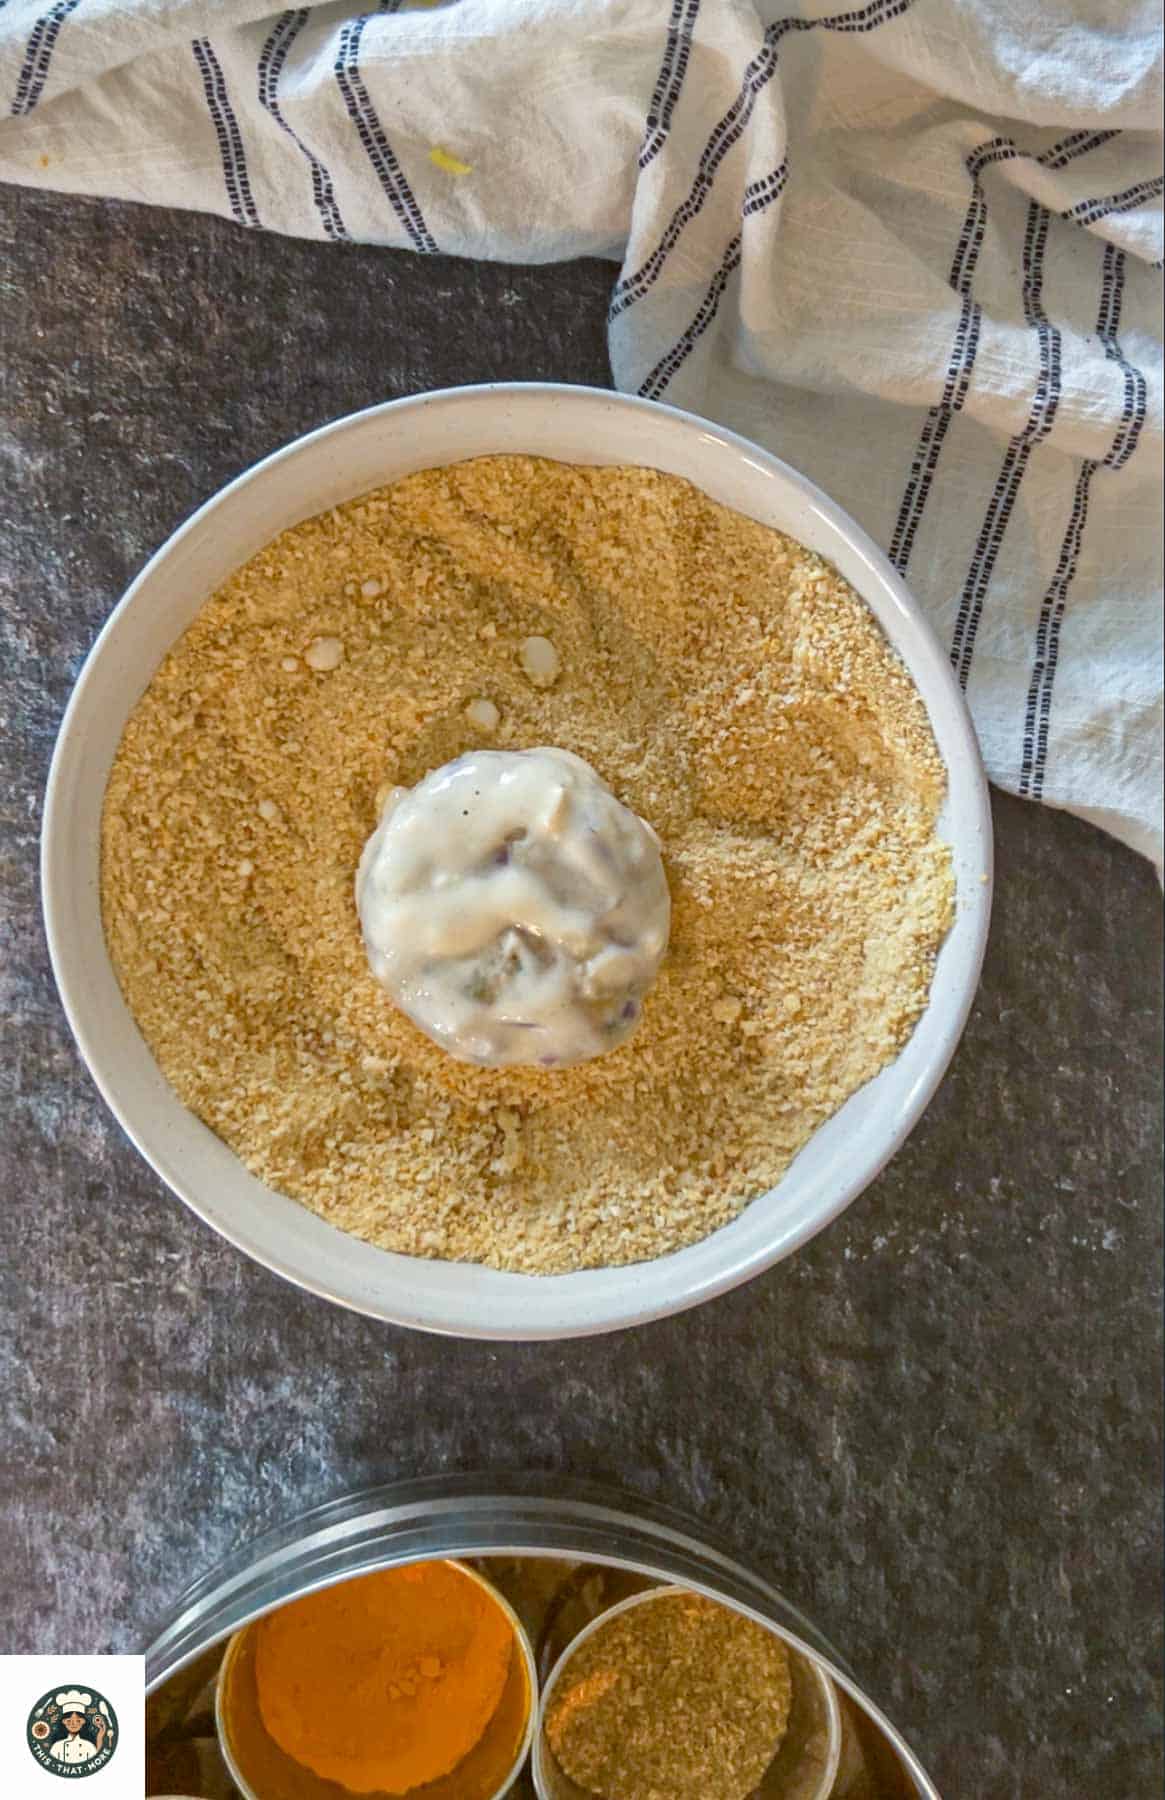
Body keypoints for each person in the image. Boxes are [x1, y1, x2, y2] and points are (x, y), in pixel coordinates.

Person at [49, 1691, 105, 1765]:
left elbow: (95, 1762)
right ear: (63, 1722)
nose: (73, 1724)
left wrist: (100, 1738)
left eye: (78, 1721)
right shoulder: (57, 1746)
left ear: (83, 1722)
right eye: (69, 1721)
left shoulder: (88, 1746)